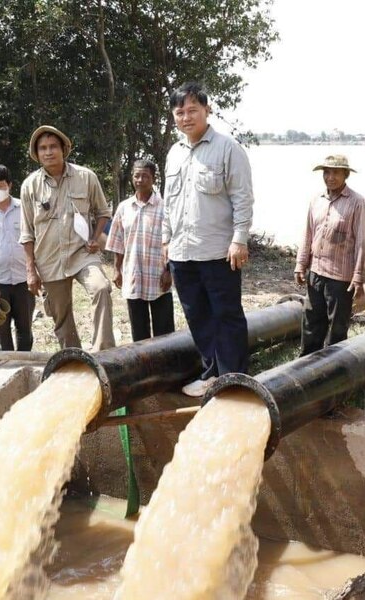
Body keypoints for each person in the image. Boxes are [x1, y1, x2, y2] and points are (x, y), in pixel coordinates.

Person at [162, 82, 253, 397]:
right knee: (197, 316)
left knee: (227, 315)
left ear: (207, 110)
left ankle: (234, 378)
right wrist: (166, 241)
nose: (186, 117)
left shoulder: (228, 148)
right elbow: (168, 203)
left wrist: (239, 240)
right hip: (181, 252)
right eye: (180, 112)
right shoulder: (174, 153)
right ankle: (211, 373)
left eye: (192, 110)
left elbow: (243, 198)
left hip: (218, 252)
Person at [19, 125, 115, 351]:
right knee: (61, 316)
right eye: (43, 148)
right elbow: (27, 233)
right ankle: (73, 358)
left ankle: (103, 352)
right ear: (37, 153)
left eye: (53, 146)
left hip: (82, 253)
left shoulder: (86, 177)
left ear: (64, 149)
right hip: (49, 259)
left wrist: (94, 237)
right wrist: (31, 271)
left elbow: (103, 212)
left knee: (101, 288)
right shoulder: (30, 185)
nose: (48, 152)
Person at [294, 155, 365, 356]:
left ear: (346, 175)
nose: (330, 177)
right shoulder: (316, 200)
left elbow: (362, 243)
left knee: (337, 328)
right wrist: (301, 264)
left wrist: (358, 277)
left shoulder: (358, 203)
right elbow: (308, 234)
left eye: (336, 172)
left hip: (340, 278)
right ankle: (306, 364)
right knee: (311, 322)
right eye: (326, 172)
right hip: (316, 272)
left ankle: (334, 368)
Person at [106, 159, 175, 342]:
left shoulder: (165, 208)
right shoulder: (124, 208)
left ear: (154, 179)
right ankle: (144, 360)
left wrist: (169, 271)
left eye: (145, 176)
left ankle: (166, 360)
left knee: (164, 332)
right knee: (139, 331)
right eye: (137, 175)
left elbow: (173, 242)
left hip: (158, 277)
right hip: (133, 276)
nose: (140, 180)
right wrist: (116, 269)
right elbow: (117, 242)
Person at [0, 164, 35, 351]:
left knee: (25, 327)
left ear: (9, 185)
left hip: (24, 279)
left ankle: (25, 363)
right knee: (0, 329)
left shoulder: (24, 208)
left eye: (1, 186)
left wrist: (35, 273)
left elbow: (35, 239)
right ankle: (7, 365)